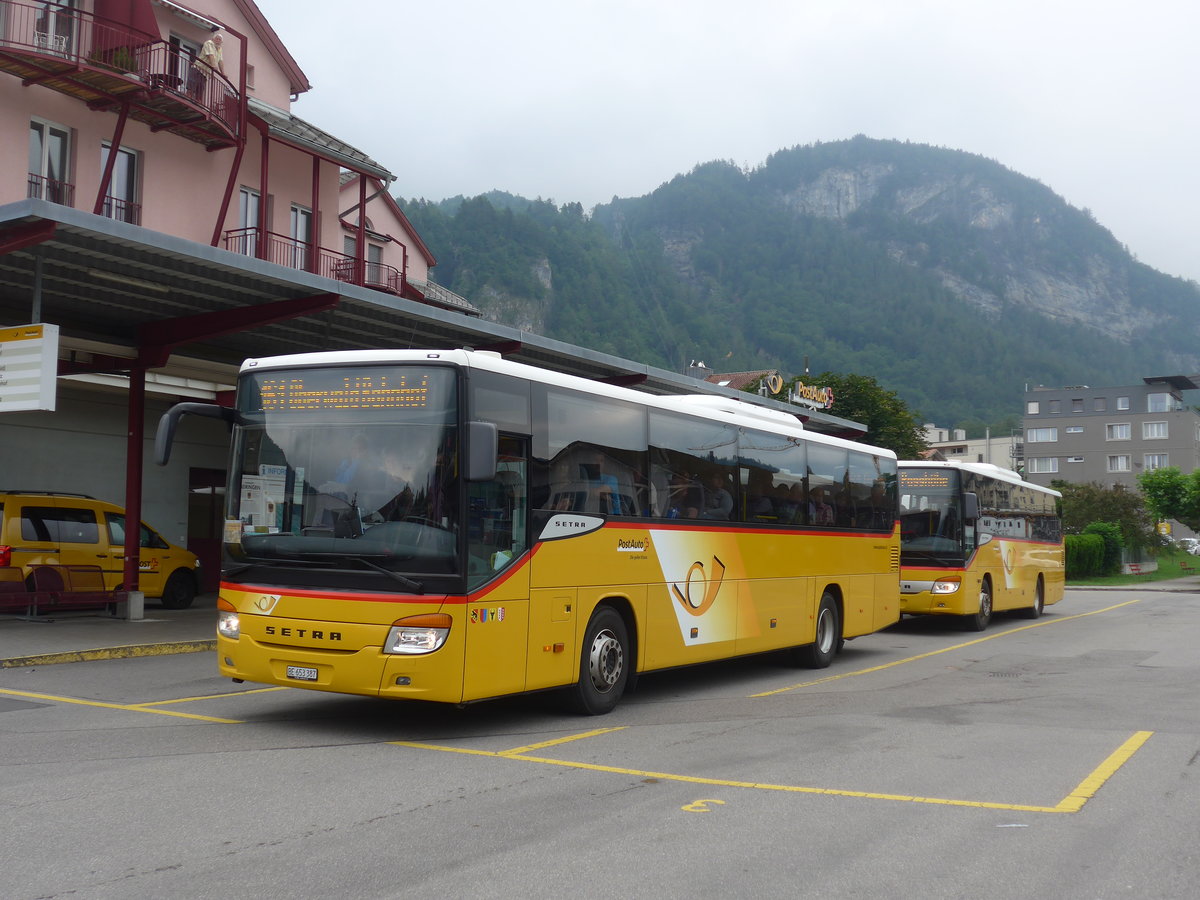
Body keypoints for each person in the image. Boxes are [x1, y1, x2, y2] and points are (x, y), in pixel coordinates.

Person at [188, 27, 224, 99]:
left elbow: (220, 61)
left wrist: (223, 73)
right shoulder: (209, 43)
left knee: (200, 93)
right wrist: (214, 66)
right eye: (216, 38)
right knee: (191, 89)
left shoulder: (219, 49)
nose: (218, 40)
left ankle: (198, 105)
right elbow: (211, 55)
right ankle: (187, 100)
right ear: (213, 39)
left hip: (205, 74)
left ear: (221, 42)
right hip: (197, 69)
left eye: (220, 40)